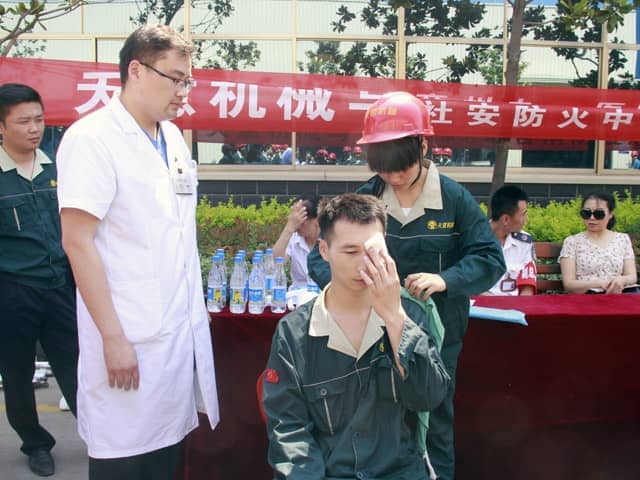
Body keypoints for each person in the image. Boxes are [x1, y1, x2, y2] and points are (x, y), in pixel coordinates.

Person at [308, 91, 505, 480]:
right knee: (377, 420)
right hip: (372, 337)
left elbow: (489, 259)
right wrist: (356, 281)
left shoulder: (453, 199)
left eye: (402, 169)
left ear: (423, 146)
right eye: (385, 171)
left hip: (438, 336)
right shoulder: (365, 199)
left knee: (434, 421)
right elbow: (321, 258)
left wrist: (445, 279)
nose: (395, 179)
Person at [56, 24, 219, 479]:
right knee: (126, 459)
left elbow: (174, 236)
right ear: (136, 70)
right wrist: (112, 337)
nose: (183, 92)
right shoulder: (92, 139)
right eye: (175, 78)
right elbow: (77, 241)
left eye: (188, 81)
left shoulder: (172, 139)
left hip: (173, 334)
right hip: (127, 333)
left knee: (167, 455)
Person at [263, 193, 450, 479]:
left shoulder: (408, 314)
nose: (364, 264)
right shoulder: (295, 332)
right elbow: (289, 430)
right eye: (350, 252)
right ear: (324, 250)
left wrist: (394, 317)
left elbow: (429, 396)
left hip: (398, 471)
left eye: (373, 251)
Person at [0, 83, 78, 477]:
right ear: (1, 127)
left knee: (76, 365)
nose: (34, 128)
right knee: (17, 373)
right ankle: (35, 444)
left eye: (39, 119)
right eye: (23, 121)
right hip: (13, 290)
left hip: (60, 284)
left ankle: (101, 435)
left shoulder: (57, 167)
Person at [559, 191, 637, 293]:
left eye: (598, 214)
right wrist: (599, 283)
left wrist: (621, 280)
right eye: (586, 213)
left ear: (610, 214)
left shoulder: (622, 239)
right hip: (587, 297)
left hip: (619, 295)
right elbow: (569, 284)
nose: (592, 218)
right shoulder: (572, 242)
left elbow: (632, 276)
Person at [486, 185, 537, 296]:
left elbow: (527, 287)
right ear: (506, 219)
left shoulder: (524, 242)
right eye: (523, 214)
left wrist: (521, 305)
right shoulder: (475, 240)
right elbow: (469, 286)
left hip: (515, 305)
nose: (526, 219)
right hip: (482, 304)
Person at [272, 192, 321, 291]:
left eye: (300, 221)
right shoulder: (294, 236)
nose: (296, 226)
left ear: (316, 220)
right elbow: (275, 262)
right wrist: (288, 228)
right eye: (294, 220)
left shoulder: (331, 238)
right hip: (298, 295)